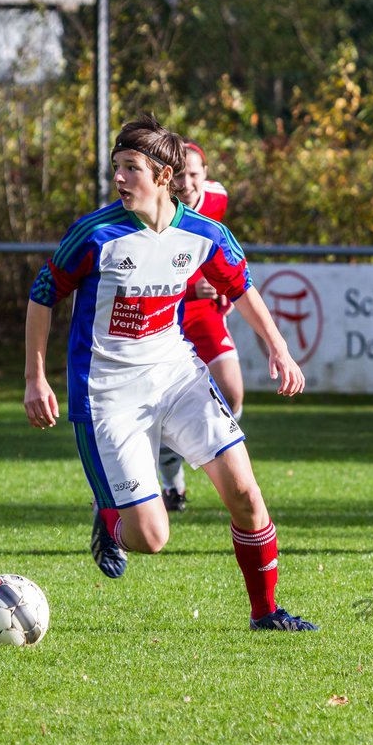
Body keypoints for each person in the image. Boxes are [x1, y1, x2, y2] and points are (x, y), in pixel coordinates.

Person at [24, 113, 317, 632]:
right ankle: (111, 517)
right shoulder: (96, 233)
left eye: (130, 168)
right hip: (106, 394)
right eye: (116, 167)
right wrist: (35, 377)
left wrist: (279, 349)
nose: (118, 179)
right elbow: (43, 292)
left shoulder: (204, 234)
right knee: (152, 537)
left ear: (163, 176)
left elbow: (242, 286)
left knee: (247, 494)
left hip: (176, 375)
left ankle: (265, 612)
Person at [158, 140, 244, 512]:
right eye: (179, 174)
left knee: (232, 392)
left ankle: (203, 448)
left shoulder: (217, 199)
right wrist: (194, 284)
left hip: (204, 313)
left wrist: (222, 286)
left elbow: (220, 250)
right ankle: (171, 476)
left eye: (194, 173)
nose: (187, 181)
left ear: (206, 176)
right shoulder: (156, 208)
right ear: (166, 177)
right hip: (167, 310)